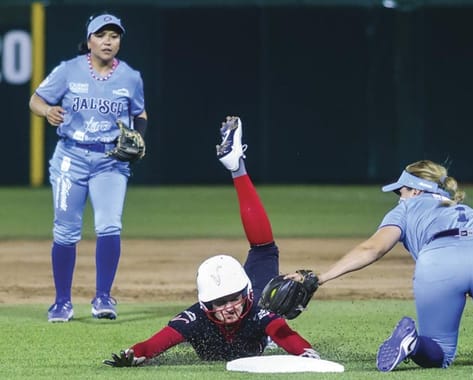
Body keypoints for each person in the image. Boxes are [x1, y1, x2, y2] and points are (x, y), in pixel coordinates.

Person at [288, 160, 473, 371]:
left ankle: (412, 343)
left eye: (401, 190)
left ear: (415, 190)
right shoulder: (463, 208)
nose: (399, 196)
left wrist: (321, 278)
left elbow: (373, 248)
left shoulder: (405, 209)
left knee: (439, 353)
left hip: (441, 257)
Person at [103, 116, 319, 367]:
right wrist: (135, 352)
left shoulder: (258, 310)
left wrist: (305, 352)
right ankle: (237, 167)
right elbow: (155, 343)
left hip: (256, 298)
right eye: (220, 302)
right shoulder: (195, 318)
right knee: (264, 249)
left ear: (246, 292)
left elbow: (286, 335)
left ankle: (238, 168)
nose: (229, 307)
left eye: (233, 298)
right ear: (206, 305)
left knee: (265, 249)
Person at [29, 13, 148, 322]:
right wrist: (47, 111)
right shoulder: (69, 70)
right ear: (90, 40)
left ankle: (103, 298)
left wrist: (139, 137)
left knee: (109, 225)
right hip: (71, 157)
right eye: (102, 35)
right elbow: (35, 100)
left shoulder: (130, 77)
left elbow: (141, 113)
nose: (108, 41)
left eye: (114, 36)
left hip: (110, 161)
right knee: (65, 231)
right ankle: (62, 302)